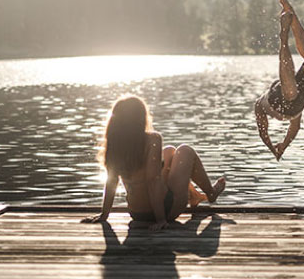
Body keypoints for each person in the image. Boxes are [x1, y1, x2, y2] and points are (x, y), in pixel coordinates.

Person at [81, 95, 226, 231]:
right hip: (164, 208)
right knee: (185, 151)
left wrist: (104, 215)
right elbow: (152, 181)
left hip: (137, 213)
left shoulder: (115, 144)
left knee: (169, 151)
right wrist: (161, 220)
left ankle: (194, 195)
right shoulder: (152, 140)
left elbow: (111, 180)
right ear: (141, 118)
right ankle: (210, 193)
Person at [255, 0, 304, 160]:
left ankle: (292, 21)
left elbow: (292, 128)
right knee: (291, 92)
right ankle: (284, 35)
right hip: (287, 100)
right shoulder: (261, 106)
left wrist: (281, 147)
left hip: (291, 97)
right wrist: (275, 148)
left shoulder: (268, 102)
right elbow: (264, 132)